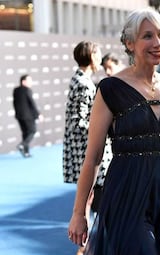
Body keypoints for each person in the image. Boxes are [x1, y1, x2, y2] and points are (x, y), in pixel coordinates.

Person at [67, 7, 160, 255]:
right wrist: (79, 213)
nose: (157, 43)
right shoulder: (110, 88)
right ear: (129, 44)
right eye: (147, 36)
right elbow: (94, 156)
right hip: (127, 190)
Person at [62, 40, 103, 255]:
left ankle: (86, 245)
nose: (101, 58)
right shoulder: (83, 83)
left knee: (88, 199)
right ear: (91, 56)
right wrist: (103, 127)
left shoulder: (79, 80)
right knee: (87, 199)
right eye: (98, 54)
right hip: (84, 151)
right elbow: (80, 121)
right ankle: (85, 245)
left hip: (81, 150)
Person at [13, 74, 42, 158]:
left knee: (25, 133)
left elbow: (15, 103)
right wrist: (38, 114)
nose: (31, 82)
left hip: (19, 116)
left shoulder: (16, 90)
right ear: (23, 81)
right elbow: (32, 103)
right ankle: (22, 145)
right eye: (29, 80)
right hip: (28, 116)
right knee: (32, 131)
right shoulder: (27, 90)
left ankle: (26, 152)